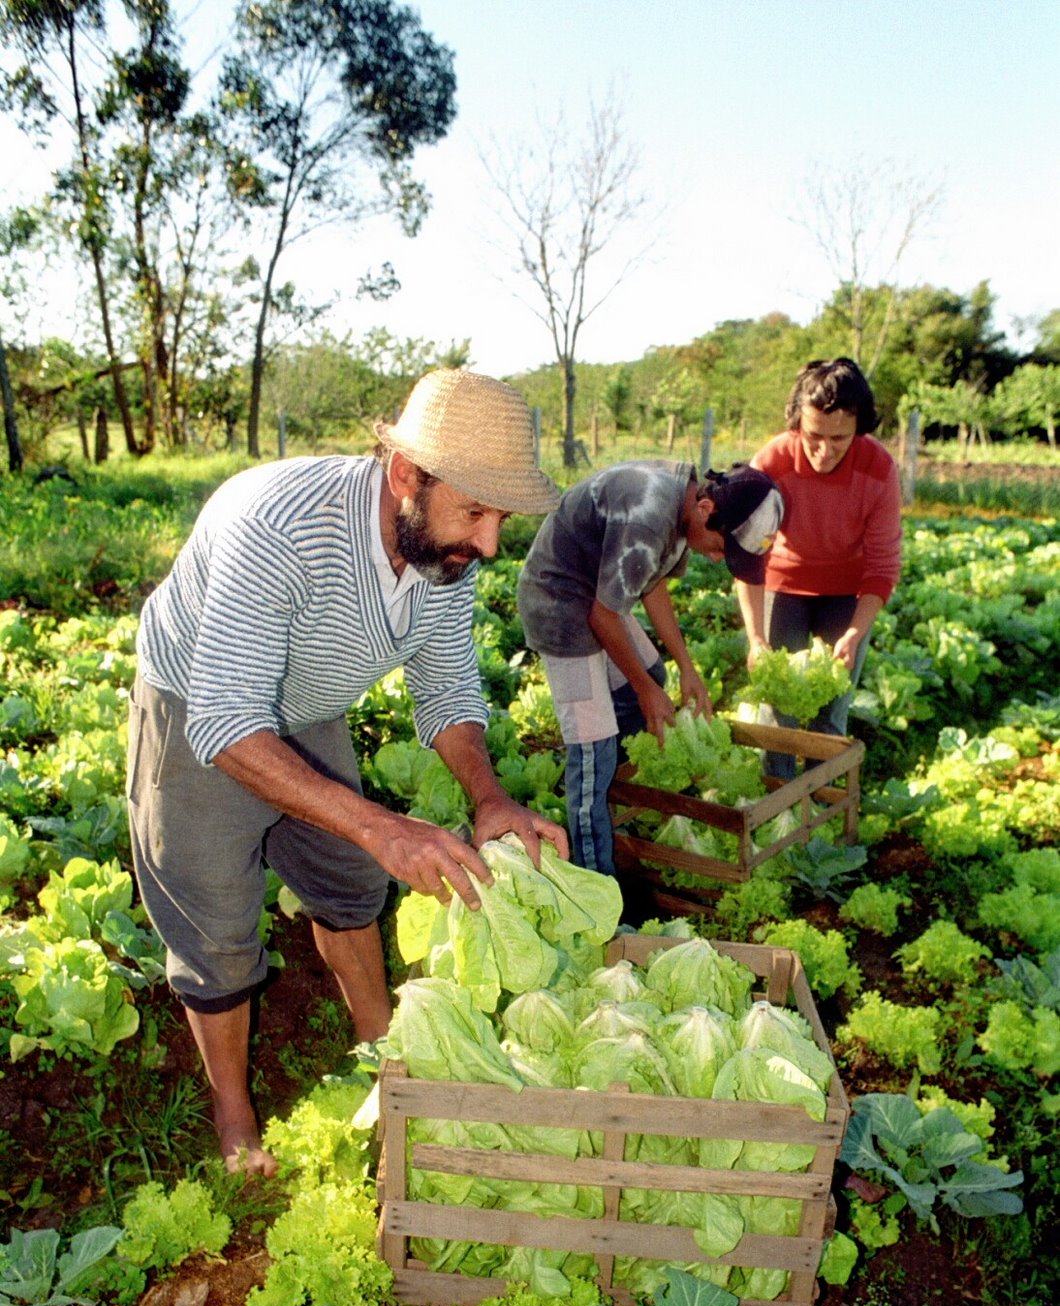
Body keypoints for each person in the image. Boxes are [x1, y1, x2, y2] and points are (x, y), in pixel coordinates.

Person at [127, 368, 567, 1176]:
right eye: (475, 510)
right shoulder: (278, 525)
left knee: (352, 883)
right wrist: (380, 823)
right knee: (219, 929)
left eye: (502, 516)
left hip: (306, 701)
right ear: (407, 475)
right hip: (198, 702)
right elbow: (227, 721)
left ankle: (383, 1052)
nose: (491, 542)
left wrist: (489, 796)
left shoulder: (444, 555)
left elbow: (445, 685)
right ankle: (234, 1116)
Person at [517, 459, 783, 876]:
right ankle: (596, 882)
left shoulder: (685, 505)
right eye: (721, 547)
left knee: (654, 677)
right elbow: (603, 617)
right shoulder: (651, 515)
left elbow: (652, 584)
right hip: (560, 602)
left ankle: (616, 787)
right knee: (593, 753)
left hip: (597, 595)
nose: (717, 559)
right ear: (707, 511)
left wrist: (687, 669)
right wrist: (644, 690)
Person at [741, 358, 902, 779]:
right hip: (784, 584)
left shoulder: (879, 469)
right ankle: (777, 811)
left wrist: (854, 633)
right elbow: (749, 557)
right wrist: (756, 639)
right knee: (778, 714)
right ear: (797, 424)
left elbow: (883, 566)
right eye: (813, 436)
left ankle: (821, 811)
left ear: (859, 430)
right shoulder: (771, 462)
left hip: (847, 593)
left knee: (831, 714)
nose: (824, 451)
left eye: (839, 438)